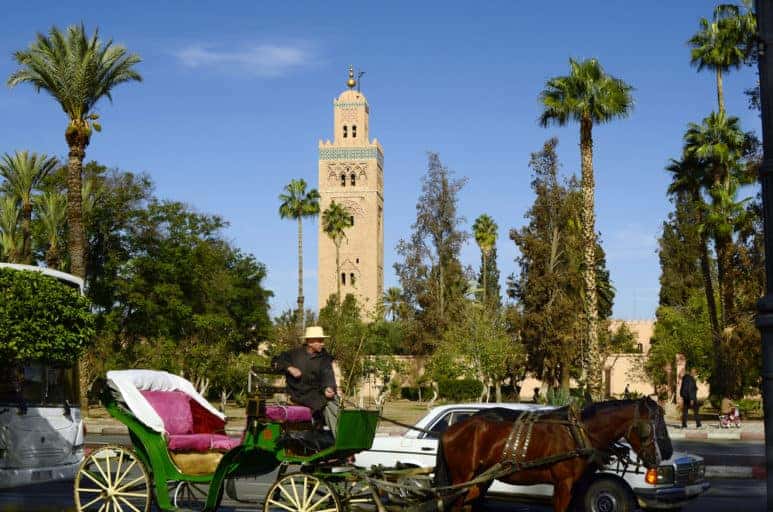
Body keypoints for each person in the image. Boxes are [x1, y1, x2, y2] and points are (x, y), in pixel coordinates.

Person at [275, 325, 340, 436]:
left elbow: (327, 374)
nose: (322, 343)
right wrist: (290, 368)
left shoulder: (324, 358)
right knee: (328, 404)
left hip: (316, 394)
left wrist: (329, 387)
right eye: (319, 341)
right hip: (298, 394)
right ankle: (339, 436)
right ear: (310, 342)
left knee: (333, 400)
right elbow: (277, 360)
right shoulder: (294, 354)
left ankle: (339, 436)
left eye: (322, 341)